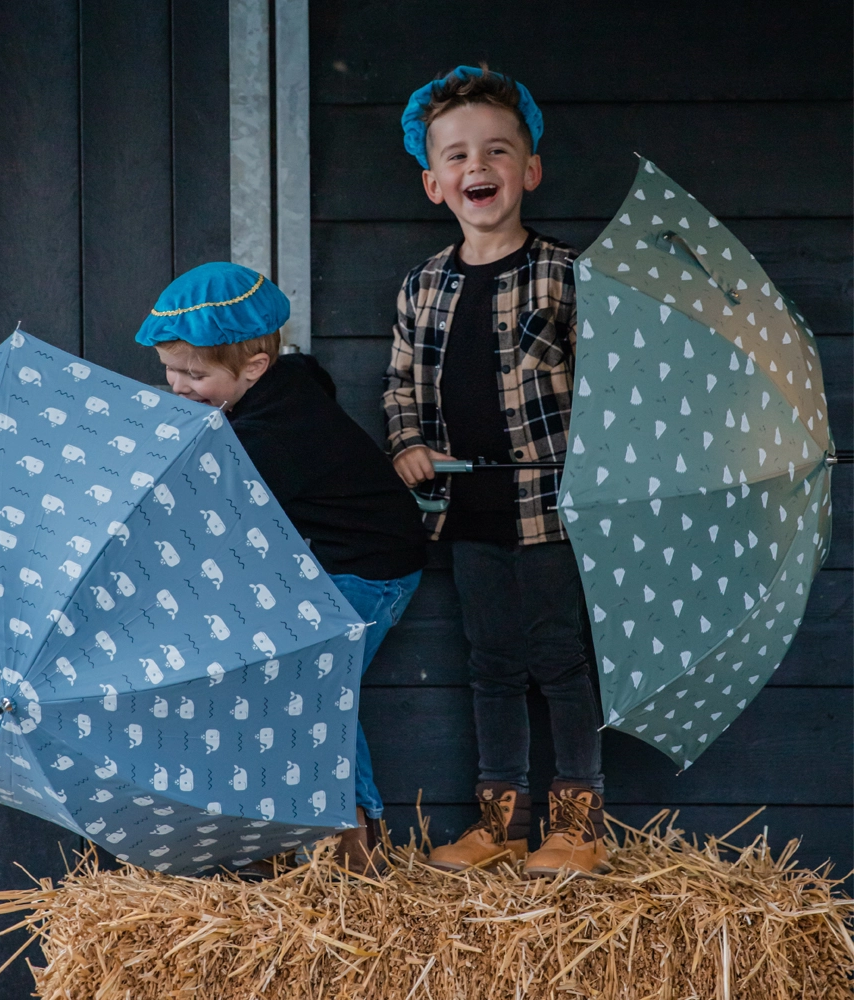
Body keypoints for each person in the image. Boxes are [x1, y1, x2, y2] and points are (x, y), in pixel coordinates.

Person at [383, 66, 608, 876]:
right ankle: (500, 819)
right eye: (458, 156)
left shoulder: (566, 275)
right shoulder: (422, 286)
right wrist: (408, 443)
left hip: (547, 505)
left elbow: (604, 388)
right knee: (490, 662)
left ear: (530, 170)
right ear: (435, 183)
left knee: (559, 658)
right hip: (467, 507)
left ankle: (576, 822)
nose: (478, 166)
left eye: (498, 151)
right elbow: (402, 386)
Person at [136, 262, 426, 874]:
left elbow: (209, 518)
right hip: (315, 568)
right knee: (282, 681)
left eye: (196, 374)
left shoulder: (276, 433)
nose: (179, 386)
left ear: (255, 369)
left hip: (368, 571)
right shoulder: (259, 405)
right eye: (170, 369)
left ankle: (351, 836)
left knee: (316, 686)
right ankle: (283, 833)